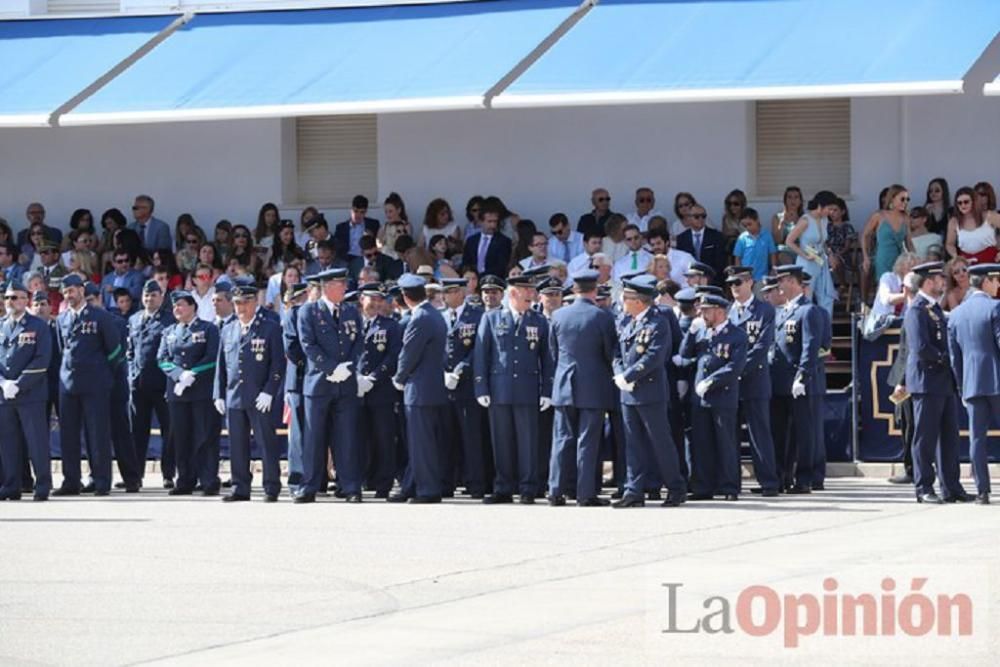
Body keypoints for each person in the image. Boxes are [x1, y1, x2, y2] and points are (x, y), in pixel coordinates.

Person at [474, 274, 553, 504]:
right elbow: (482, 354)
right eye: (526, 290)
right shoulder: (491, 318)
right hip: (499, 389)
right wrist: (481, 387)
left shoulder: (538, 321)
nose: (532, 294)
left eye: (532, 290)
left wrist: (547, 390)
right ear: (513, 293)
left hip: (528, 389)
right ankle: (503, 487)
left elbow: (547, 358)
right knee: (502, 441)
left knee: (528, 442)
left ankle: (528, 487)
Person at [610, 274, 686, 508]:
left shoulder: (658, 322)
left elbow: (655, 356)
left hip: (650, 391)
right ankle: (634, 490)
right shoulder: (627, 321)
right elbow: (617, 352)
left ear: (639, 301)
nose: (623, 301)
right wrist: (621, 374)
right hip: (628, 392)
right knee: (632, 442)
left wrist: (630, 375)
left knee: (660, 441)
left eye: (627, 297)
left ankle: (675, 487)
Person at [547, 269, 617, 506]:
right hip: (594, 385)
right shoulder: (603, 316)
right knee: (587, 440)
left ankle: (556, 490)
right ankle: (584, 493)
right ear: (594, 290)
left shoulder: (558, 316)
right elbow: (609, 353)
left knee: (561, 438)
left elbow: (553, 353)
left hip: (564, 382)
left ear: (574, 290)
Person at [294, 268, 364, 503]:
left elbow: (358, 342)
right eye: (341, 284)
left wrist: (348, 367)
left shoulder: (351, 311)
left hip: (345, 384)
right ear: (328, 286)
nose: (345, 288)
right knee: (314, 438)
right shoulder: (309, 311)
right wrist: (331, 368)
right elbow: (308, 344)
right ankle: (310, 485)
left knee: (347, 437)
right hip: (319, 384)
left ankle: (350, 486)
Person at [214, 279, 285, 502]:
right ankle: (240, 486)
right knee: (237, 444)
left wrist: (269, 390)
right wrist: (219, 393)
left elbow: (277, 363)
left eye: (245, 302)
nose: (240, 308)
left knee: (266, 442)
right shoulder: (229, 329)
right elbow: (221, 364)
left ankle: (271, 486)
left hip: (259, 395)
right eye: (237, 303)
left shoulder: (269, 328)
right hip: (235, 395)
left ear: (255, 302)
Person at [903, 262, 967, 504]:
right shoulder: (917, 309)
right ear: (928, 281)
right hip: (927, 381)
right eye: (939, 278)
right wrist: (946, 358)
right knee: (925, 437)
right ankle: (924, 487)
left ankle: (951, 486)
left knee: (949, 436)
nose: (943, 282)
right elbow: (920, 348)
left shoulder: (934, 308)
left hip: (942, 381)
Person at [52, 274, 122, 496]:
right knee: (69, 435)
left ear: (81, 290)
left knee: (97, 433)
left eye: (72, 291)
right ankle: (71, 481)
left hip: (95, 383)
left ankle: (101, 480)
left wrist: (102, 373)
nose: (69, 295)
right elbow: (62, 349)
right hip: (68, 384)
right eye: (65, 292)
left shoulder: (100, 316)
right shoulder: (61, 319)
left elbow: (114, 350)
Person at [679, 293, 747, 501]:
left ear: (719, 311)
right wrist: (691, 332)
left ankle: (729, 486)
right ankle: (703, 486)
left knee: (725, 442)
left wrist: (712, 381)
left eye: (706, 310)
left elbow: (735, 366)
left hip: (722, 396)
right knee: (701, 443)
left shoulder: (736, 335)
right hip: (700, 399)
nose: (702, 314)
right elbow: (684, 353)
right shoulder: (703, 333)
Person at [389, 274, 449, 503]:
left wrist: (399, 378)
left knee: (421, 443)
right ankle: (410, 485)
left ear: (405, 296)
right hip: (432, 387)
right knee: (421, 441)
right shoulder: (434, 314)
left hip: (419, 389)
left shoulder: (420, 318)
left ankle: (428, 489)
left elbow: (409, 353)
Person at [157, 289, 220, 496]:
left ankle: (208, 479)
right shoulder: (169, 331)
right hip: (178, 392)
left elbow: (212, 356)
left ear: (193, 306)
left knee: (204, 435)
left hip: (201, 390)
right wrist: (178, 374)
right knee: (181, 437)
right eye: (175, 306)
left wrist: (192, 373)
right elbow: (162, 359)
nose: (177, 309)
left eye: (181, 304)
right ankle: (185, 479)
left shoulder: (208, 329)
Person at [946, 262, 1000, 505]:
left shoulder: (956, 314)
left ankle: (982, 491)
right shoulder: (995, 307)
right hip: (997, 381)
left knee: (977, 439)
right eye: (995, 279)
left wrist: (961, 385)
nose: (997, 284)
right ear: (986, 281)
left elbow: (954, 358)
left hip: (971, 384)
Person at [726, 266, 780, 496]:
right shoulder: (727, 312)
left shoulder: (764, 310)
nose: (735, 288)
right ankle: (731, 483)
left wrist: (736, 369)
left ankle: (768, 481)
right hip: (729, 383)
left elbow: (761, 347)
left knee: (759, 433)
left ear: (750, 283)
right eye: (731, 284)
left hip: (754, 379)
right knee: (730, 435)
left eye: (738, 282)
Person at [770, 265, 822, 493]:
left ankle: (804, 478)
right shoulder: (783, 311)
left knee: (803, 432)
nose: (779, 286)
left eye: (782, 281)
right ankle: (782, 475)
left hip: (797, 382)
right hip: (779, 380)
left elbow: (810, 348)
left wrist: (803, 376)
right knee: (780, 431)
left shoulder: (807, 310)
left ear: (792, 282)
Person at [0, 280, 53, 501]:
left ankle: (42, 485)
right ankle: (12, 485)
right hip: (4, 395)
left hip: (30, 394)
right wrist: (3, 383)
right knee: (7, 442)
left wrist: (19, 384)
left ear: (26, 300)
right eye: (8, 297)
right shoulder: (2, 325)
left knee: (36, 442)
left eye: (16, 297)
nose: (11, 301)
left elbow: (42, 360)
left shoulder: (38, 325)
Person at [126, 279, 176, 489]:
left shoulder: (169, 320)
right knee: (137, 431)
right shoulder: (135, 319)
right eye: (147, 295)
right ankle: (135, 476)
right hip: (138, 384)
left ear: (161, 297)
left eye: (154, 295)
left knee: (169, 430)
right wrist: (130, 375)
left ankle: (168, 474)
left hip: (162, 384)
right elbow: (130, 350)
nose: (149, 299)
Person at [355, 282, 402, 499]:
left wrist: (373, 377)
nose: (374, 303)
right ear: (361, 300)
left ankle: (384, 483)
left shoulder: (390, 326)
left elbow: (393, 357)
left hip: (381, 390)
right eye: (370, 298)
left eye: (378, 299)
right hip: (354, 390)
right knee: (357, 438)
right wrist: (356, 378)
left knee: (383, 438)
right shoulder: (351, 324)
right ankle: (362, 479)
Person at [441, 278, 487, 499]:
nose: (446, 297)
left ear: (459, 293)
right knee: (447, 437)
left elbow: (478, 348)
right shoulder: (441, 316)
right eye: (444, 293)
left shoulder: (476, 315)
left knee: (471, 437)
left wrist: (460, 369)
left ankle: (476, 482)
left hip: (467, 385)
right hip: (445, 386)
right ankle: (447, 482)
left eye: (450, 292)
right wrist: (443, 372)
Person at [785, 191, 838, 315]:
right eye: (829, 209)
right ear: (820, 206)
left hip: (821, 262)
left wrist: (830, 255)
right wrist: (804, 255)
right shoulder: (805, 220)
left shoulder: (824, 220)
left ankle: (826, 331)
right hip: (806, 263)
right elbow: (789, 241)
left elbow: (822, 242)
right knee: (806, 296)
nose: (830, 212)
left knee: (826, 298)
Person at [945, 186, 1000, 265]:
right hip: (967, 265)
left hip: (991, 262)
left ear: (974, 201)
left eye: (966, 202)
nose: (963, 205)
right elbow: (949, 244)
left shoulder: (990, 216)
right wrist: (956, 257)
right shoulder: (954, 222)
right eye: (959, 203)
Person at [675, 204, 727, 282]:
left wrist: (707, 279)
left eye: (703, 216)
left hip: (712, 281)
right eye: (697, 216)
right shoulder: (681, 238)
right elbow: (680, 264)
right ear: (688, 218)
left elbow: (720, 264)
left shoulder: (716, 236)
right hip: (688, 282)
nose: (701, 219)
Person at [462, 202, 512, 277]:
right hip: (472, 280)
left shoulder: (504, 241)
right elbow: (466, 263)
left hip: (493, 281)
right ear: (481, 222)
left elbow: (501, 267)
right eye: (489, 221)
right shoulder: (471, 240)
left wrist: (480, 276)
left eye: (495, 221)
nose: (493, 225)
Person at [731, 207, 777, 281]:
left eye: (750, 224)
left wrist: (773, 269)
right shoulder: (742, 238)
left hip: (761, 277)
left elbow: (772, 253)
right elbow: (737, 258)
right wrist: (739, 273)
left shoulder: (767, 235)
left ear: (757, 220)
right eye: (744, 226)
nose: (748, 228)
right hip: (745, 277)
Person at [870, 252, 918, 323]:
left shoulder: (913, 284)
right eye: (911, 267)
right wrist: (905, 296)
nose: (914, 272)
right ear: (901, 266)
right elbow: (886, 299)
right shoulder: (887, 277)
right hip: (880, 322)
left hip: (899, 323)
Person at [334, 195, 380, 261]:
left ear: (366, 212)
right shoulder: (341, 228)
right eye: (356, 211)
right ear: (351, 210)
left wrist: (372, 239)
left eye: (362, 212)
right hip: (347, 259)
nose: (358, 215)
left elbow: (379, 246)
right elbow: (337, 249)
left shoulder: (373, 224)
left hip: (367, 257)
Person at [771, 186, 804, 266]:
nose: (793, 200)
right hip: (784, 251)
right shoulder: (777, 217)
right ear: (785, 200)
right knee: (784, 258)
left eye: (796, 197)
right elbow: (777, 241)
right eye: (789, 197)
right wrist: (781, 223)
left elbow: (806, 240)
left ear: (800, 201)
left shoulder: (804, 218)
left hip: (800, 250)